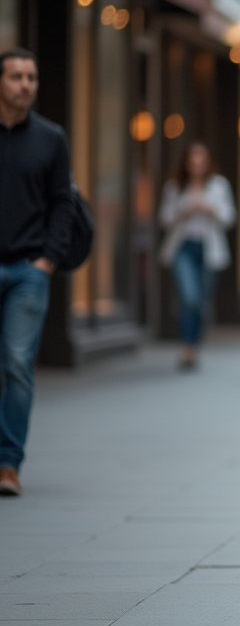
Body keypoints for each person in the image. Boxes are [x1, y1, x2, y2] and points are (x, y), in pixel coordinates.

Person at [0, 48, 72, 497]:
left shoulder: (51, 138)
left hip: (29, 269)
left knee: (16, 362)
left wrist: (48, 259)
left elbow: (63, 202)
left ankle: (8, 463)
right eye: (15, 76)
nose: (25, 84)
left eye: (31, 76)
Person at [159, 143, 236, 370]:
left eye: (201, 162)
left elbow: (229, 217)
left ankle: (195, 344)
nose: (196, 166)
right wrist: (184, 210)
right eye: (192, 162)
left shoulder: (219, 186)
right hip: (183, 247)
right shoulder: (175, 187)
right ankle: (187, 346)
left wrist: (209, 208)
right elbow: (164, 218)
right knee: (189, 297)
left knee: (202, 302)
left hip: (208, 249)